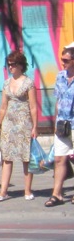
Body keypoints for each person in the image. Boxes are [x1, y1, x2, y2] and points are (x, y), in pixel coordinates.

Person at [0, 50, 38, 202]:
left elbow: (33, 106)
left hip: (23, 122)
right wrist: (0, 123)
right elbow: (3, 106)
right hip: (8, 123)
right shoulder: (6, 82)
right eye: (8, 65)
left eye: (12, 64)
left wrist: (35, 127)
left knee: (26, 157)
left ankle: (27, 190)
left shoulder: (28, 83)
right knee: (7, 158)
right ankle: (3, 191)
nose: (10, 67)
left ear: (20, 65)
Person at [46, 46, 74, 207]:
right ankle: (57, 194)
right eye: (62, 59)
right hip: (62, 123)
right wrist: (55, 121)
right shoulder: (61, 76)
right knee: (59, 158)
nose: (62, 63)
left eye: (66, 60)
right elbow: (58, 100)